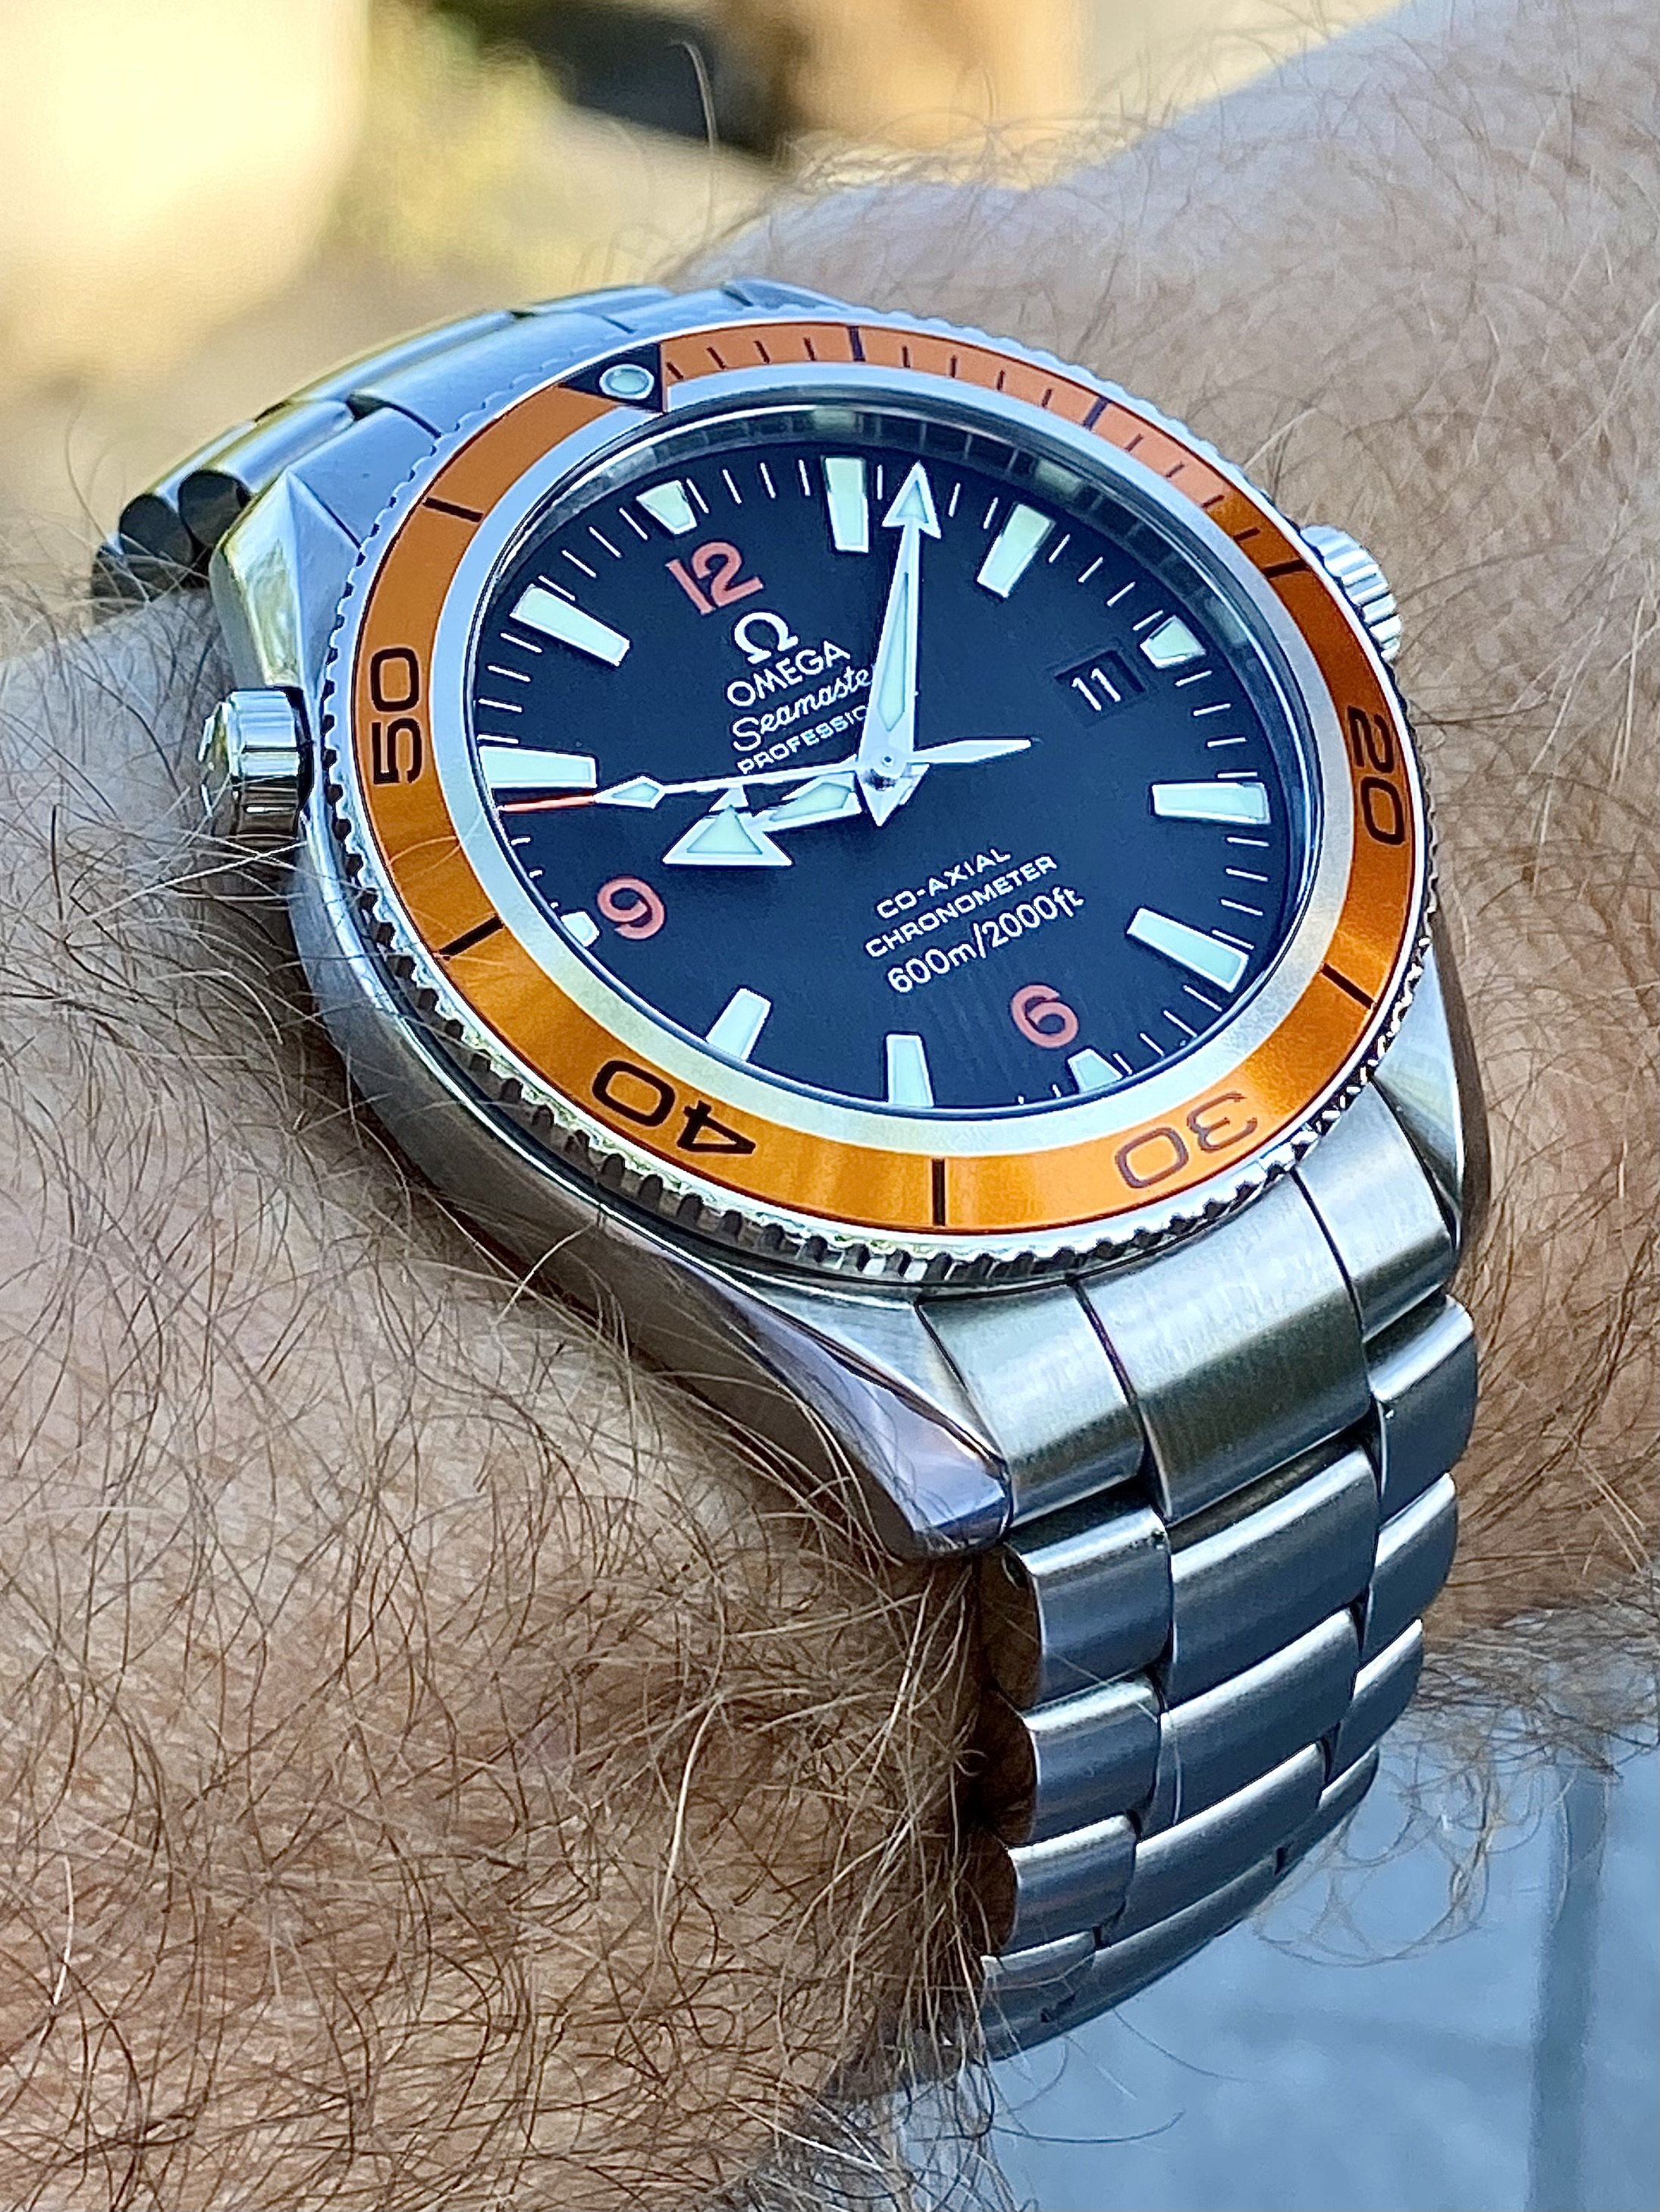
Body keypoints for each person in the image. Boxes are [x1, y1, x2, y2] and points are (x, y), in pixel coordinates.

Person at [0, 0, 1650, 2201]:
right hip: (905, 1236)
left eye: (884, 758)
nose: (876, 794)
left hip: (1187, 1058)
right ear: (303, 762)